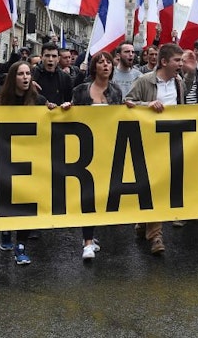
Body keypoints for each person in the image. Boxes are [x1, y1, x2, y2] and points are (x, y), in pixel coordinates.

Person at [124, 43, 188, 254]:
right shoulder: (144, 81)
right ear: (164, 62)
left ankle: (145, 224)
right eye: (177, 60)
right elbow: (127, 103)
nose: (180, 64)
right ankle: (156, 236)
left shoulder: (179, 83)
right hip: (147, 142)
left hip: (170, 143)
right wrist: (146, 105)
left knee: (160, 187)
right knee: (153, 187)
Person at [62, 51, 123, 259]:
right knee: (87, 193)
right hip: (85, 151)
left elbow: (120, 116)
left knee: (103, 195)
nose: (106, 65)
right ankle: (87, 241)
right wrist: (67, 107)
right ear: (94, 67)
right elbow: (72, 114)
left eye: (108, 62)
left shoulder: (116, 91)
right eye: (101, 62)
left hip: (108, 149)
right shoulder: (80, 91)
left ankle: (93, 235)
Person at [0, 61, 58, 264]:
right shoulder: (2, 102)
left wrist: (55, 110)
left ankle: (20, 245)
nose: (25, 77)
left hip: (30, 160)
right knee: (7, 198)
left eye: (28, 73)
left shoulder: (39, 100)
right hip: (7, 157)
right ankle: (5, 229)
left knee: (27, 202)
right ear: (13, 78)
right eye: (21, 74)